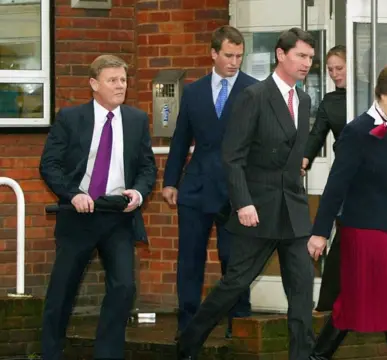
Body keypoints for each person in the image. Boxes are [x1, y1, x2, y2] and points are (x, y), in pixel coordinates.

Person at [176, 27, 317, 360]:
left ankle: (302, 355)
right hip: (258, 208)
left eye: (310, 57)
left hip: (293, 209)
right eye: (300, 55)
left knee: (301, 290)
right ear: (280, 55)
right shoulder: (254, 96)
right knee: (235, 284)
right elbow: (233, 155)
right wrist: (243, 203)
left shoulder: (305, 99)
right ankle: (189, 341)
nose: (306, 63)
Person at [39, 54, 157, 360]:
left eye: (123, 80)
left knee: (123, 287)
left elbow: (147, 167)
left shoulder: (136, 120)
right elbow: (49, 165)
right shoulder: (70, 118)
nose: (120, 86)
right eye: (112, 80)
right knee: (63, 290)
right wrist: (72, 194)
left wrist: (139, 193)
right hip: (80, 214)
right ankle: (50, 353)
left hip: (118, 215)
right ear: (94, 84)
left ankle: (108, 354)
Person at [306, 62, 387, 360]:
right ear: (382, 94)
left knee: (353, 302)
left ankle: (317, 356)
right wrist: (320, 232)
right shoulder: (356, 131)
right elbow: (335, 186)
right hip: (363, 230)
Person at [162, 25, 258, 338]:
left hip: (237, 191)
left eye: (239, 56)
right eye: (228, 55)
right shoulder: (194, 91)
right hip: (196, 188)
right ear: (214, 53)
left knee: (235, 261)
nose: (234, 62)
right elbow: (180, 140)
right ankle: (187, 327)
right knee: (190, 259)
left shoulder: (253, 90)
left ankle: (238, 323)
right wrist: (170, 181)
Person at [301, 45, 347, 313]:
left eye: (339, 68)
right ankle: (328, 303)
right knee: (339, 232)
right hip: (343, 174)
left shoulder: (369, 95)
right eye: (330, 70)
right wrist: (304, 159)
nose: (334, 74)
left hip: (368, 178)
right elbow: (317, 134)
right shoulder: (330, 101)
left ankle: (337, 302)